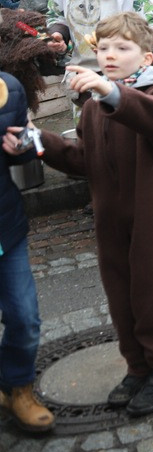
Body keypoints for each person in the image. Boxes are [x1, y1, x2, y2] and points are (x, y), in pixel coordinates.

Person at [12, 12, 153, 417]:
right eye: (104, 47)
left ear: (145, 59)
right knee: (121, 295)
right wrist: (37, 140)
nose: (110, 55)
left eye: (122, 48)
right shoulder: (94, 109)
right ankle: (139, 366)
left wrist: (112, 93)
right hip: (111, 220)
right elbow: (84, 159)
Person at [0, 71, 54, 433]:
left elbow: (25, 148)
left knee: (25, 318)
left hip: (6, 227)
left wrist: (25, 146)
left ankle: (17, 387)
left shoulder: (8, 89)